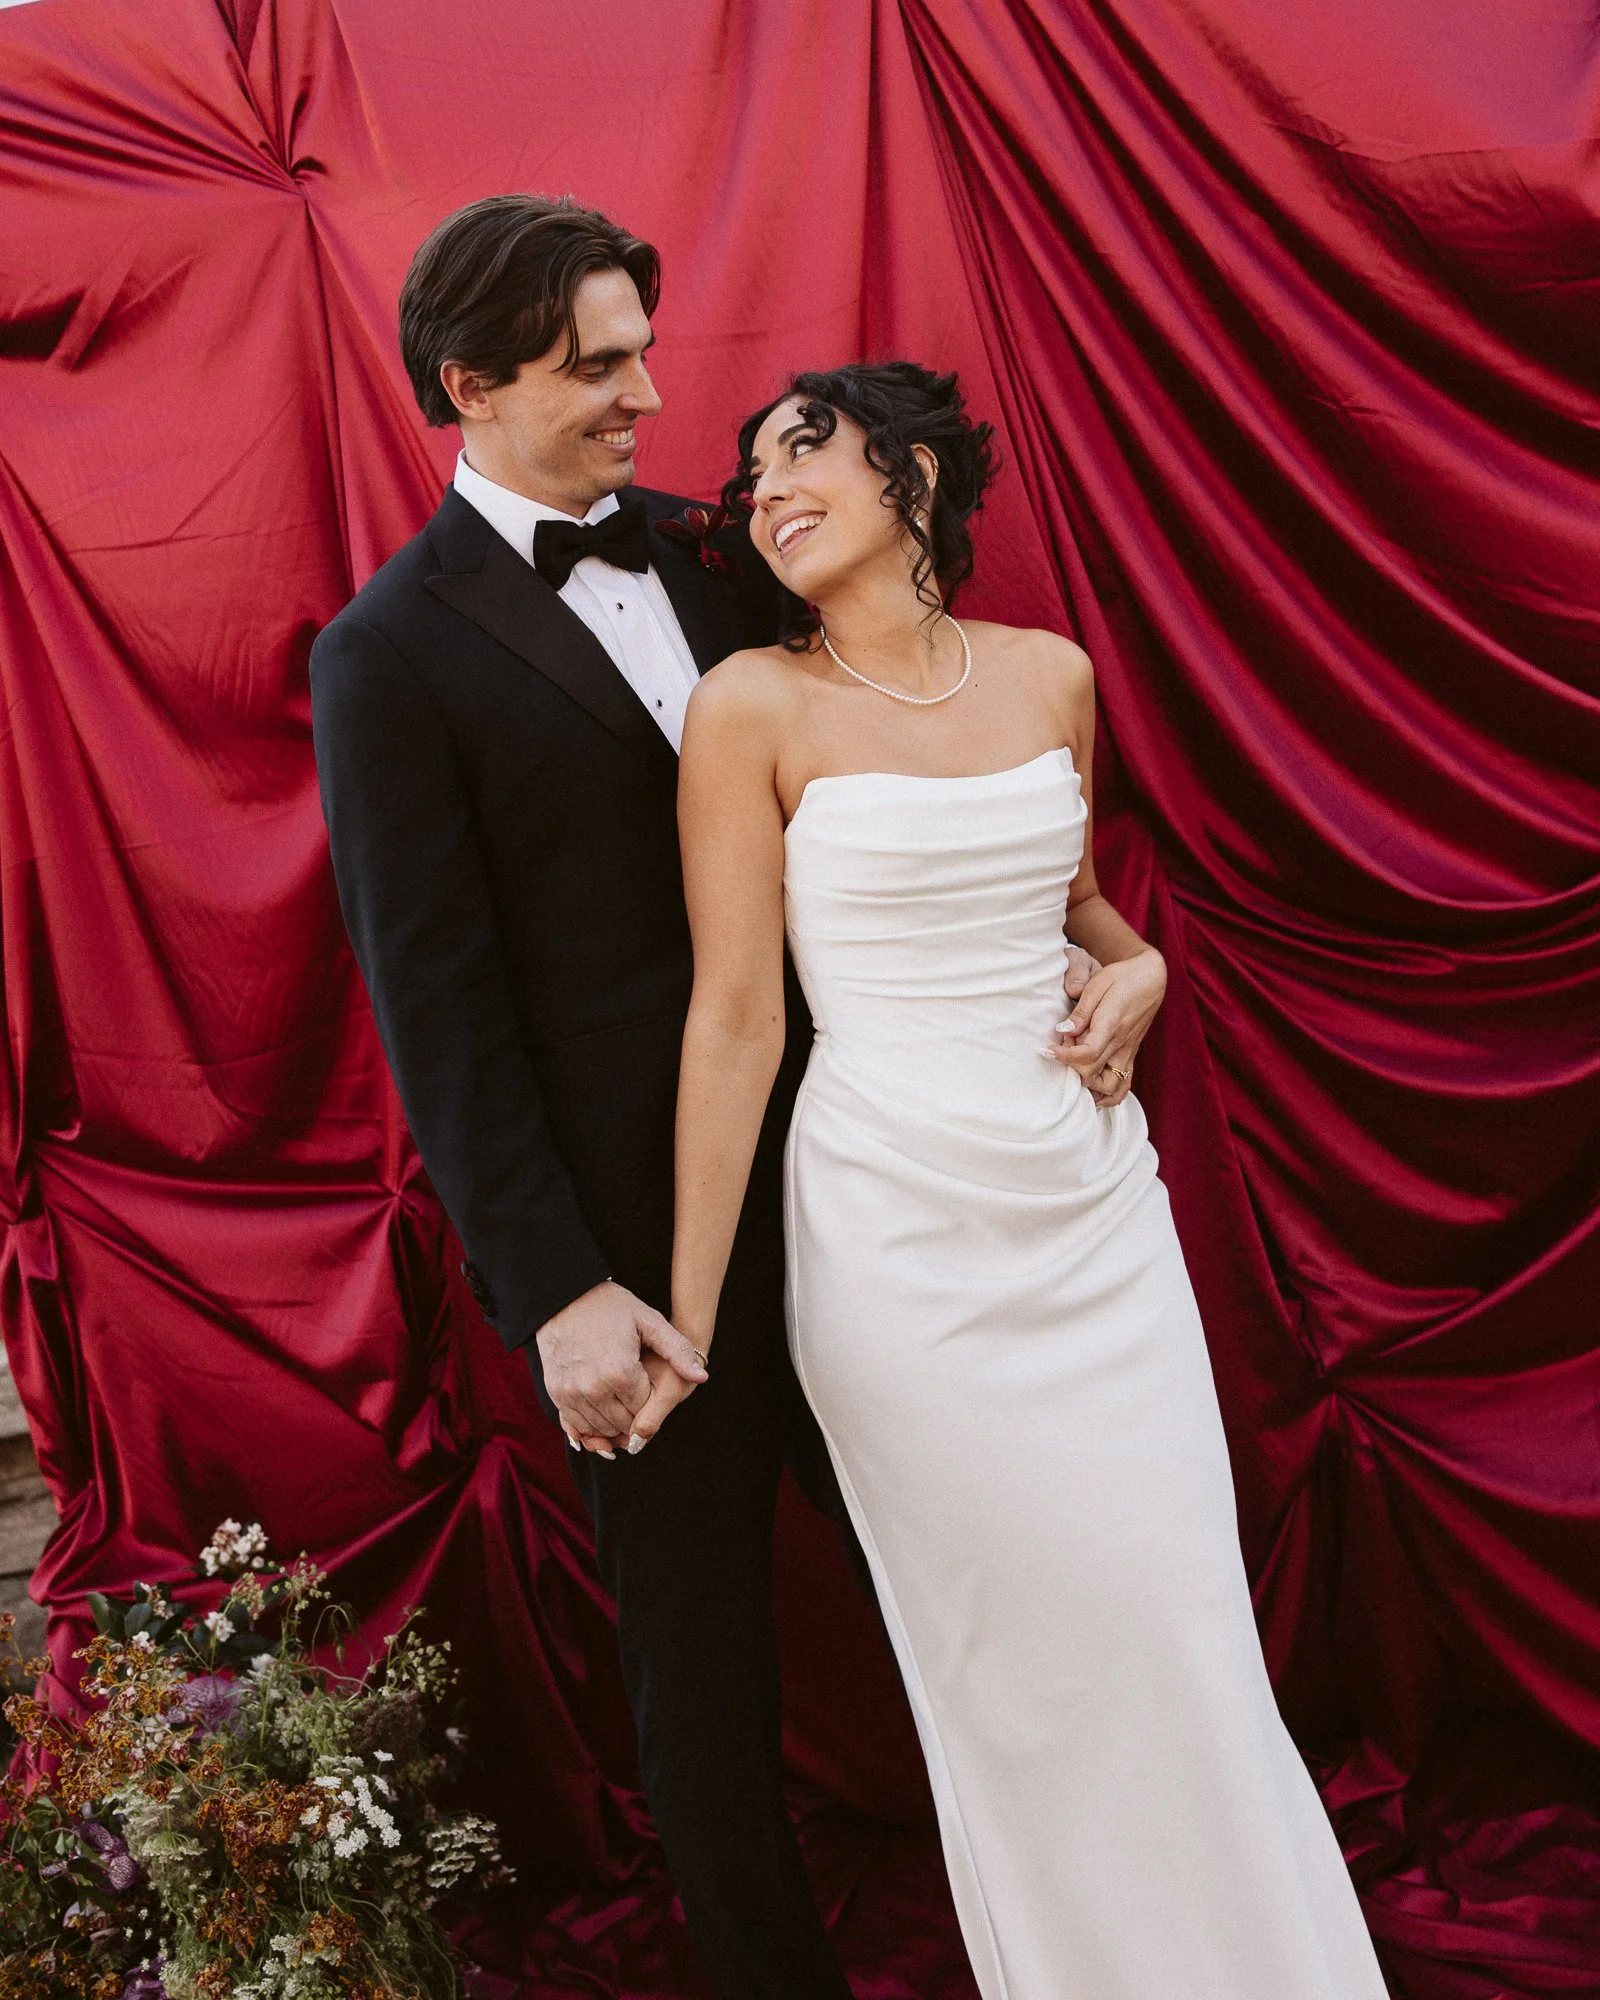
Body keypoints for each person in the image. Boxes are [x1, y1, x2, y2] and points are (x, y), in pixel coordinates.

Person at [308, 199, 1095, 1996]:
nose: (651, 396)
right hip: (643, 1263)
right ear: (472, 381)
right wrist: (561, 1291)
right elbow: (440, 1013)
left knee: (1009, 1565)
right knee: (704, 1669)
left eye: (643, 351)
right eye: (599, 365)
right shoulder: (387, 658)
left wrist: (1066, 947)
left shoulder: (717, 554)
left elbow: (894, 768)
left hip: (886, 1179)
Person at [665, 361, 1392, 1997]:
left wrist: (1142, 976)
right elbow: (734, 1018)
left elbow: (1076, 919)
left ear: (911, 476)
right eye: (749, 476)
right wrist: (694, 1317)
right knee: (1012, 1667)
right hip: (896, 1238)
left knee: (1175, 1619)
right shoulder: (750, 709)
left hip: (1089, 1213)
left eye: (802, 456)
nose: (763, 493)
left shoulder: (1054, 675)